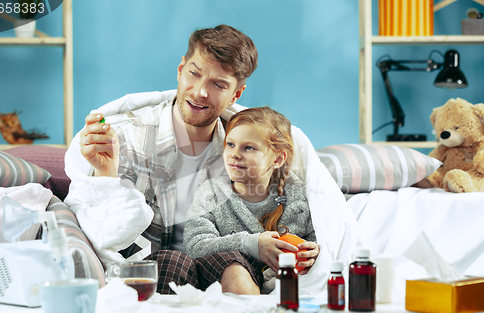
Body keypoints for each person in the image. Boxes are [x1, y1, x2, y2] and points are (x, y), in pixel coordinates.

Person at [64, 24, 359, 296]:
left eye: (219, 84)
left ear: (236, 94)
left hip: (224, 257)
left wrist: (304, 249)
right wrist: (105, 174)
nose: (201, 91)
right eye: (194, 73)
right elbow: (102, 228)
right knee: (174, 263)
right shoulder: (126, 139)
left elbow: (303, 209)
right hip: (153, 264)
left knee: (235, 267)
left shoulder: (246, 145)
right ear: (180, 69)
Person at [184, 107, 319, 293]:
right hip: (223, 280)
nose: (234, 154)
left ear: (278, 159)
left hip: (285, 287)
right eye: (230, 144)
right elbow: (195, 246)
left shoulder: (299, 201)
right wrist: (251, 244)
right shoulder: (211, 194)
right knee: (234, 269)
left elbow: (320, 240)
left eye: (248, 147)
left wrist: (313, 252)